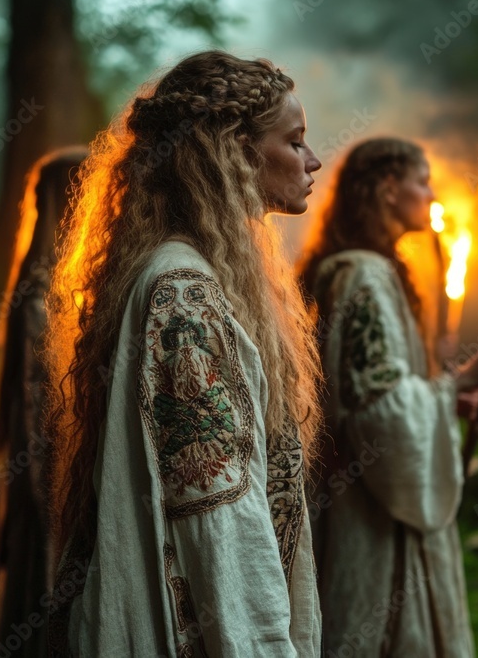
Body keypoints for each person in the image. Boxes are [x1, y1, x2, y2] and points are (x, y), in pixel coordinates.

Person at [43, 50, 324, 657]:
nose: (313, 160)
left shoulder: (202, 276)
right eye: (294, 140)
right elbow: (216, 515)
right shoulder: (182, 293)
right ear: (235, 151)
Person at [298, 138, 478, 657]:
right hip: (371, 509)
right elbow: (376, 409)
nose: (431, 193)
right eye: (423, 181)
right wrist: (458, 383)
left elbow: (369, 387)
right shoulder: (364, 276)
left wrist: (444, 402)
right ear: (388, 189)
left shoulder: (363, 270)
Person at [0, 145, 89, 658]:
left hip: (67, 459)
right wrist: (45, 479)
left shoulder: (70, 278)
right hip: (50, 464)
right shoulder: (43, 289)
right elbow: (34, 396)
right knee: (45, 580)